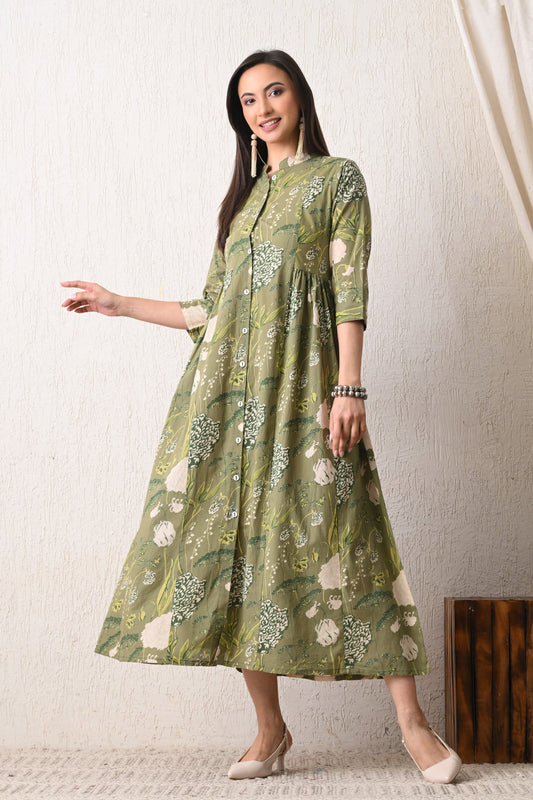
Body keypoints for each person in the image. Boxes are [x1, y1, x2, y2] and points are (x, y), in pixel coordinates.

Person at [60, 49, 462, 784]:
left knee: (353, 535)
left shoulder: (336, 179)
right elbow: (208, 310)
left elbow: (349, 286)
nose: (263, 107)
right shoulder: (241, 206)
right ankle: (271, 729)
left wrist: (350, 387)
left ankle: (413, 724)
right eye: (248, 100)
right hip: (227, 406)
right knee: (240, 550)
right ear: (241, 118)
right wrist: (117, 303)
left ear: (299, 97)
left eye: (273, 92)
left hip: (309, 394)